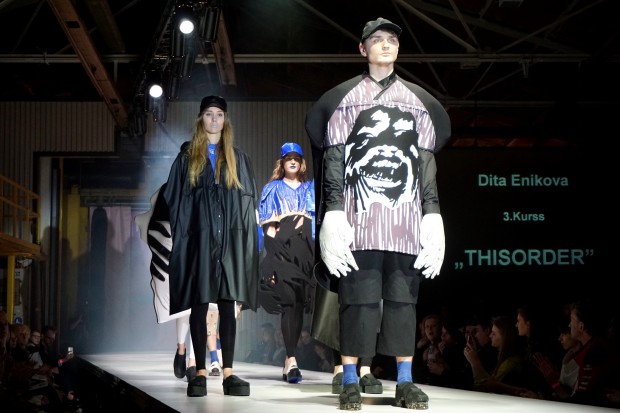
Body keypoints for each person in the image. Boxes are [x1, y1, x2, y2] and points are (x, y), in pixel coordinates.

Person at [305, 17, 451, 410]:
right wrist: (333, 212)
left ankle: (405, 381)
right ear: (362, 48)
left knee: (404, 303)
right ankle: (351, 378)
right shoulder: (345, 99)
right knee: (358, 301)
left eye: (392, 40)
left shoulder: (418, 103)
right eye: (377, 40)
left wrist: (432, 214)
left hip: (405, 222)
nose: (386, 45)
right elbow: (334, 157)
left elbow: (425, 161)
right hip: (360, 222)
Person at [161, 95, 259, 397]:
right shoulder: (188, 157)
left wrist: (246, 243)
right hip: (200, 239)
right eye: (208, 114)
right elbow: (173, 199)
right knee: (200, 302)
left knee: (228, 304)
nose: (214, 119)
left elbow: (247, 204)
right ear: (200, 118)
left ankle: (228, 372)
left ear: (225, 120)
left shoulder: (238, 159)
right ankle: (200, 372)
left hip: (228, 239)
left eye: (219, 114)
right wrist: (186, 236)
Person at [257, 141, 315, 384]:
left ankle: (290, 358)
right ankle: (291, 359)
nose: (292, 161)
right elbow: (269, 228)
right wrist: (270, 259)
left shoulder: (311, 188)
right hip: (282, 250)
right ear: (282, 162)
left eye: (296, 158)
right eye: (288, 158)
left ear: (302, 163)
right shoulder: (272, 188)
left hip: (305, 252)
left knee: (298, 304)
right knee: (289, 302)